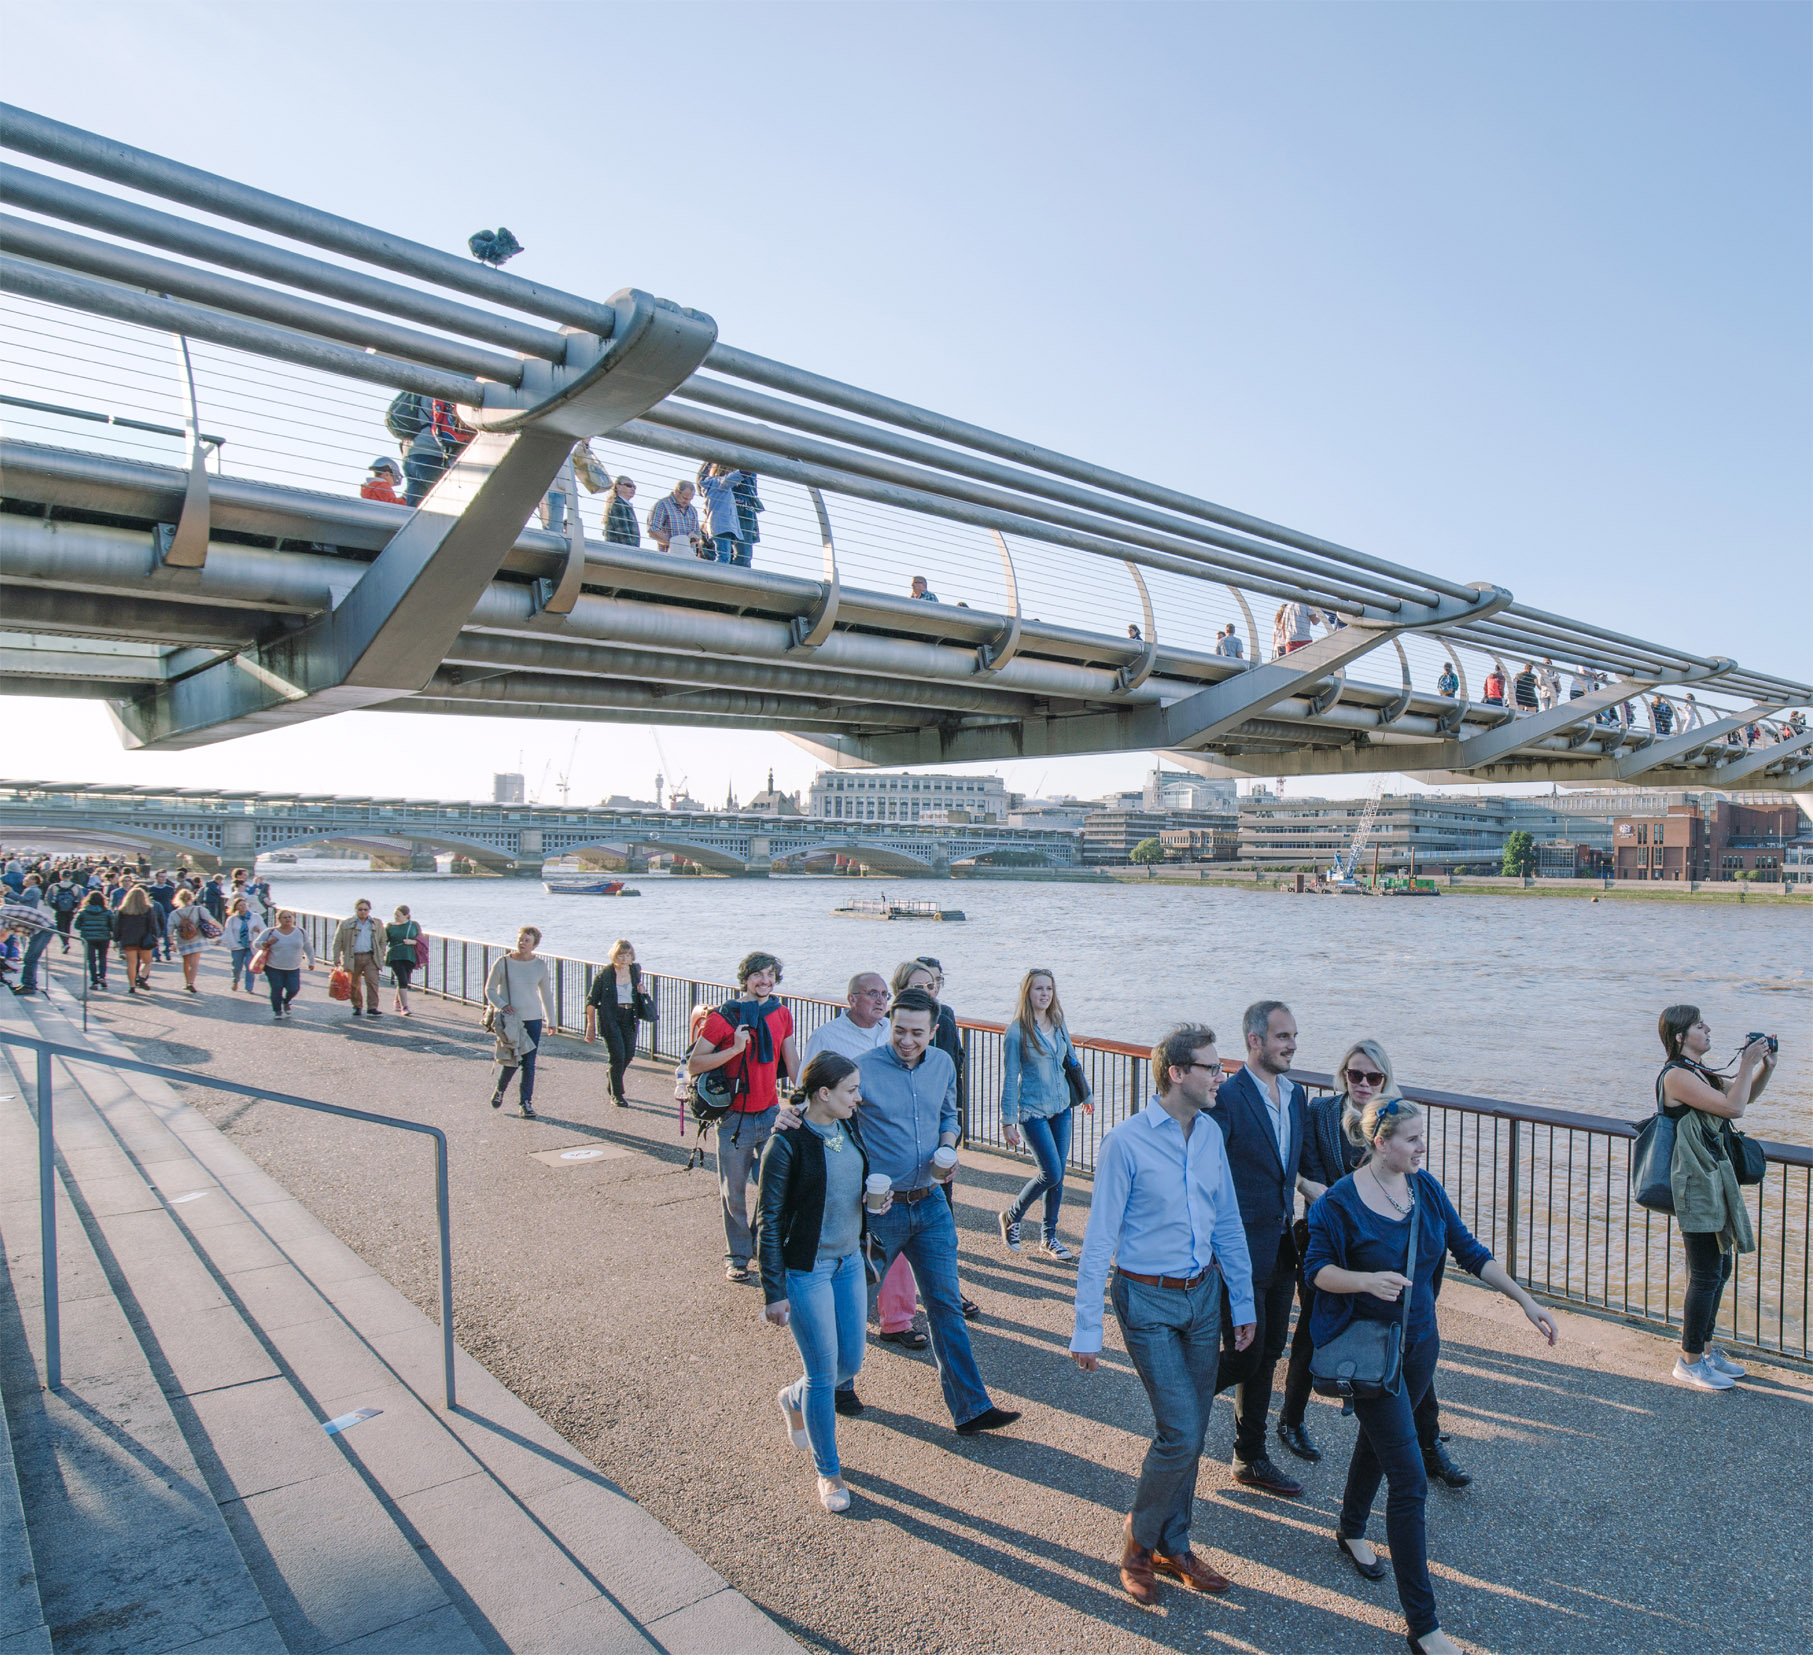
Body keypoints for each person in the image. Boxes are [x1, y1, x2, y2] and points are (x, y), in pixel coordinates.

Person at [1305, 1095, 1558, 1655]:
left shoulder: (1425, 1190)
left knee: (1379, 1445)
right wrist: (1366, 1282)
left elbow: (1469, 1251)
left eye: (1424, 1137)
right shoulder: (1339, 1204)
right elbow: (1317, 1270)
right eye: (1413, 1139)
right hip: (1371, 1354)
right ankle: (1424, 1628)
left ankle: (1349, 1528)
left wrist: (1524, 1300)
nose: (1424, 1147)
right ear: (1380, 1143)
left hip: (1421, 1347)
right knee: (1411, 1479)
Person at [1069, 1023, 1255, 1606]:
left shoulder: (1211, 1136)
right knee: (1179, 1430)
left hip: (1203, 1297)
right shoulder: (1125, 1142)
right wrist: (1086, 1327)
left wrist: (1242, 1301)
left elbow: (1226, 1221)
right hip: (1145, 1298)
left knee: (1194, 1429)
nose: (1220, 1076)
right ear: (1177, 1073)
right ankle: (1136, 1543)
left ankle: (1176, 1545)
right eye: (1210, 1067)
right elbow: (1099, 1238)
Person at [1275, 1043, 1470, 1487]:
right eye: (1354, 1075)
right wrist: (1326, 1193)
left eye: (1372, 1077)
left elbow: (1411, 1182)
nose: (1362, 1084)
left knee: (1407, 1340)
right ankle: (1291, 1419)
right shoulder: (1321, 1113)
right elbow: (1298, 1170)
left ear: (1385, 1079)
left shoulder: (1396, 1118)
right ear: (1342, 1074)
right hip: (1330, 1235)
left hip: (1384, 1245)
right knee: (1314, 1330)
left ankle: (1429, 1442)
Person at [844, 989, 1018, 1436]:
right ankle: (838, 1384)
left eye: (916, 1033)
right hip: (880, 1212)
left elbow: (949, 1114)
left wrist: (948, 1143)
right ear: (890, 1025)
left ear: (933, 1031)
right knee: (852, 1303)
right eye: (899, 1029)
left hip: (931, 1204)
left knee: (945, 1307)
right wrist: (792, 1119)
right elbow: (828, 1114)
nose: (906, 1039)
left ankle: (971, 1409)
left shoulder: (942, 1063)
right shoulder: (862, 1069)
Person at [759, 1051, 878, 1514]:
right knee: (825, 1376)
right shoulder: (786, 1143)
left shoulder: (846, 1126)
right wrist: (774, 1291)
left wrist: (872, 1206)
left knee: (850, 1362)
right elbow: (769, 1221)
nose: (858, 1096)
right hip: (807, 1269)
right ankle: (828, 1472)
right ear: (824, 1093)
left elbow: (849, 1185)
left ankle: (794, 1397)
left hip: (849, 1260)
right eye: (851, 1089)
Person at [1209, 1000, 1312, 1498]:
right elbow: (1209, 1174)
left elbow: (1290, 1171)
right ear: (1255, 1041)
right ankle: (1181, 1396)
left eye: (1293, 1036)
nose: (1292, 1044)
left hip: (1280, 1247)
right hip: (1239, 1250)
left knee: (1270, 1351)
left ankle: (1249, 1456)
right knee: (1247, 1355)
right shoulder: (1227, 1098)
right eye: (1282, 1037)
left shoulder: (1297, 1097)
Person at [1655, 1006, 1773, 1388]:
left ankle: (1704, 1349)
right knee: (1706, 1273)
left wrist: (1764, 1066)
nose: (1707, 1030)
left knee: (1719, 1269)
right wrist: (1745, 1062)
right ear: (1679, 1037)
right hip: (1693, 1184)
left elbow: (1744, 1098)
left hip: (1713, 1181)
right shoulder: (1676, 1075)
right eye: (1698, 1026)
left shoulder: (1699, 1072)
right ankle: (1689, 1360)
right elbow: (1732, 1107)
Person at [688, 951, 800, 1282]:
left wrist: (811, 1093)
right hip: (734, 1119)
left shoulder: (782, 1014)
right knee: (732, 1192)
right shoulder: (724, 1017)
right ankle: (737, 1256)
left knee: (774, 1187)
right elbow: (694, 1064)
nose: (765, 981)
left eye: (770, 975)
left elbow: (791, 1060)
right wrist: (735, 1049)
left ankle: (761, 1245)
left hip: (770, 1115)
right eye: (758, 975)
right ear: (746, 978)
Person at [997, 968, 1092, 1261]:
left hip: (1062, 1107)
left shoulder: (1058, 1022)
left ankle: (1049, 1238)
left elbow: (1071, 1059)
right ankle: (1012, 1216)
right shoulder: (1016, 1032)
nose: (1045, 994)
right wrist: (1007, 1120)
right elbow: (1010, 1076)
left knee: (1058, 1176)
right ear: (1028, 992)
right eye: (1039, 988)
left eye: (1049, 989)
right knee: (1050, 1172)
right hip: (1032, 1112)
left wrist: (1085, 1094)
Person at [485, 926, 557, 1118]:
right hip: (511, 1020)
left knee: (529, 1062)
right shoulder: (503, 963)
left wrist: (552, 1020)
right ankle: (500, 1090)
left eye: (527, 940)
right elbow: (490, 990)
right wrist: (502, 1005)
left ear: (534, 944)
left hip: (533, 1018)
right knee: (512, 1060)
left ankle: (525, 1102)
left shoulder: (539, 965)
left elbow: (546, 994)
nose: (522, 943)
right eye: (521, 939)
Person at [583, 938, 651, 1106]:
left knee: (628, 1055)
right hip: (610, 1016)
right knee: (617, 1056)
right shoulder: (605, 974)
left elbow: (638, 992)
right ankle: (617, 1094)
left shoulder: (635, 970)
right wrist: (590, 1026)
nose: (624, 959)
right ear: (615, 955)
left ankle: (613, 1077)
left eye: (628, 955)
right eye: (621, 955)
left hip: (630, 1016)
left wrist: (642, 992)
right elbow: (591, 1001)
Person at [253, 909, 315, 1018]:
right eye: (284, 917)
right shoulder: (270, 932)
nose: (288, 919)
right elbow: (256, 944)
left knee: (293, 988)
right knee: (277, 988)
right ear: (279, 920)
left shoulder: (300, 932)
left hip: (293, 967)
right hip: (273, 966)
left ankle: (286, 1001)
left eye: (290, 917)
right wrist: (267, 943)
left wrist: (311, 961)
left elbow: (308, 947)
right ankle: (277, 1011)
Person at [331, 898, 385, 1018]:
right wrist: (336, 958)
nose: (363, 912)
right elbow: (338, 941)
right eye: (360, 909)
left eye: (365, 909)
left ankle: (372, 1007)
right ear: (356, 910)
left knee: (372, 981)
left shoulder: (376, 923)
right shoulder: (346, 924)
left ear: (369, 910)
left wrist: (381, 953)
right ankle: (357, 1006)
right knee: (354, 983)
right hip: (352, 957)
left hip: (370, 956)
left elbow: (382, 940)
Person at [166, 889, 218, 993]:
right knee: (194, 963)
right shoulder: (198, 909)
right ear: (191, 898)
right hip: (197, 938)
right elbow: (210, 920)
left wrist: (171, 943)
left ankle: (186, 982)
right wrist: (220, 927)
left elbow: (169, 930)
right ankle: (191, 983)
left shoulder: (174, 913)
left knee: (186, 962)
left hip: (183, 940)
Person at [696, 463, 750, 565]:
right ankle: (717, 574)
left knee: (724, 556)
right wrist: (749, 468)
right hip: (723, 526)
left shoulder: (712, 485)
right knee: (723, 557)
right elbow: (733, 478)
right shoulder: (718, 483)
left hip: (720, 526)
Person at [114, 886, 161, 994]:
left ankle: (132, 986)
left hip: (128, 939)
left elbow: (117, 926)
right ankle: (141, 977)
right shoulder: (148, 909)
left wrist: (116, 939)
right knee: (147, 962)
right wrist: (155, 937)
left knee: (131, 964)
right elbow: (152, 926)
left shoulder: (122, 910)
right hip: (144, 939)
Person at [648, 479, 701, 557]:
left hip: (690, 557)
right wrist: (676, 544)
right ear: (676, 492)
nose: (687, 502)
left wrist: (695, 538)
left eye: (690, 499)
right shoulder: (662, 505)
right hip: (669, 557)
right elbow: (653, 531)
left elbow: (697, 532)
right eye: (685, 498)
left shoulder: (692, 510)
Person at [385, 904, 421, 1016]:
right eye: (395, 915)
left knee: (404, 979)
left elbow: (421, 939)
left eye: (398, 915)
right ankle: (404, 1007)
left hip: (409, 955)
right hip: (395, 955)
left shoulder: (414, 925)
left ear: (406, 915)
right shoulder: (390, 926)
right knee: (401, 978)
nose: (396, 917)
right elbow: (384, 940)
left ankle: (397, 1001)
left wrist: (412, 942)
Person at [73, 888, 114, 988]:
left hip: (88, 938)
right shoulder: (107, 912)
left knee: (91, 960)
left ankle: (94, 981)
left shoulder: (83, 912)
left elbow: (76, 926)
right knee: (102, 957)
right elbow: (113, 926)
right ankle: (102, 977)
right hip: (103, 937)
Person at [223, 896, 260, 992]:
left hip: (250, 944)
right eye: (240, 905)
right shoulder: (232, 919)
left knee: (249, 966)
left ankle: (249, 987)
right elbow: (229, 933)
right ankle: (235, 980)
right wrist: (233, 944)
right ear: (236, 908)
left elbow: (263, 930)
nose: (243, 907)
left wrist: (257, 931)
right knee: (237, 966)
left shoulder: (255, 917)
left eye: (244, 904)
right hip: (238, 945)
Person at [603, 476, 640, 547]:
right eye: (628, 485)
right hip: (620, 551)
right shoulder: (618, 504)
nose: (633, 488)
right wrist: (632, 553)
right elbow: (623, 533)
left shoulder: (625, 505)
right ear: (618, 486)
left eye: (634, 487)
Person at [48, 869, 80, 951]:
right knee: (67, 925)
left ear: (60, 876)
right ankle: (66, 941)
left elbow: (48, 898)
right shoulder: (75, 887)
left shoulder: (54, 886)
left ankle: (65, 943)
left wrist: (54, 907)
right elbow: (80, 898)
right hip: (70, 910)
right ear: (71, 876)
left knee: (60, 926)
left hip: (59, 910)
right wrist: (76, 908)